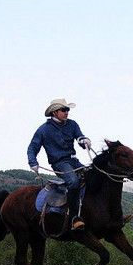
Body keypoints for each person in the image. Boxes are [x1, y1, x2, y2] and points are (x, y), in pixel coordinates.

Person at [27, 98, 91, 230]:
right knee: (73, 182)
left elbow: (79, 137)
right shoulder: (43, 130)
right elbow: (32, 148)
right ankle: (74, 219)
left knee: (93, 176)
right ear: (55, 112)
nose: (67, 112)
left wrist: (84, 140)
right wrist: (33, 162)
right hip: (60, 163)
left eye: (67, 109)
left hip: (74, 161)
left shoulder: (72, 124)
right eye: (64, 110)